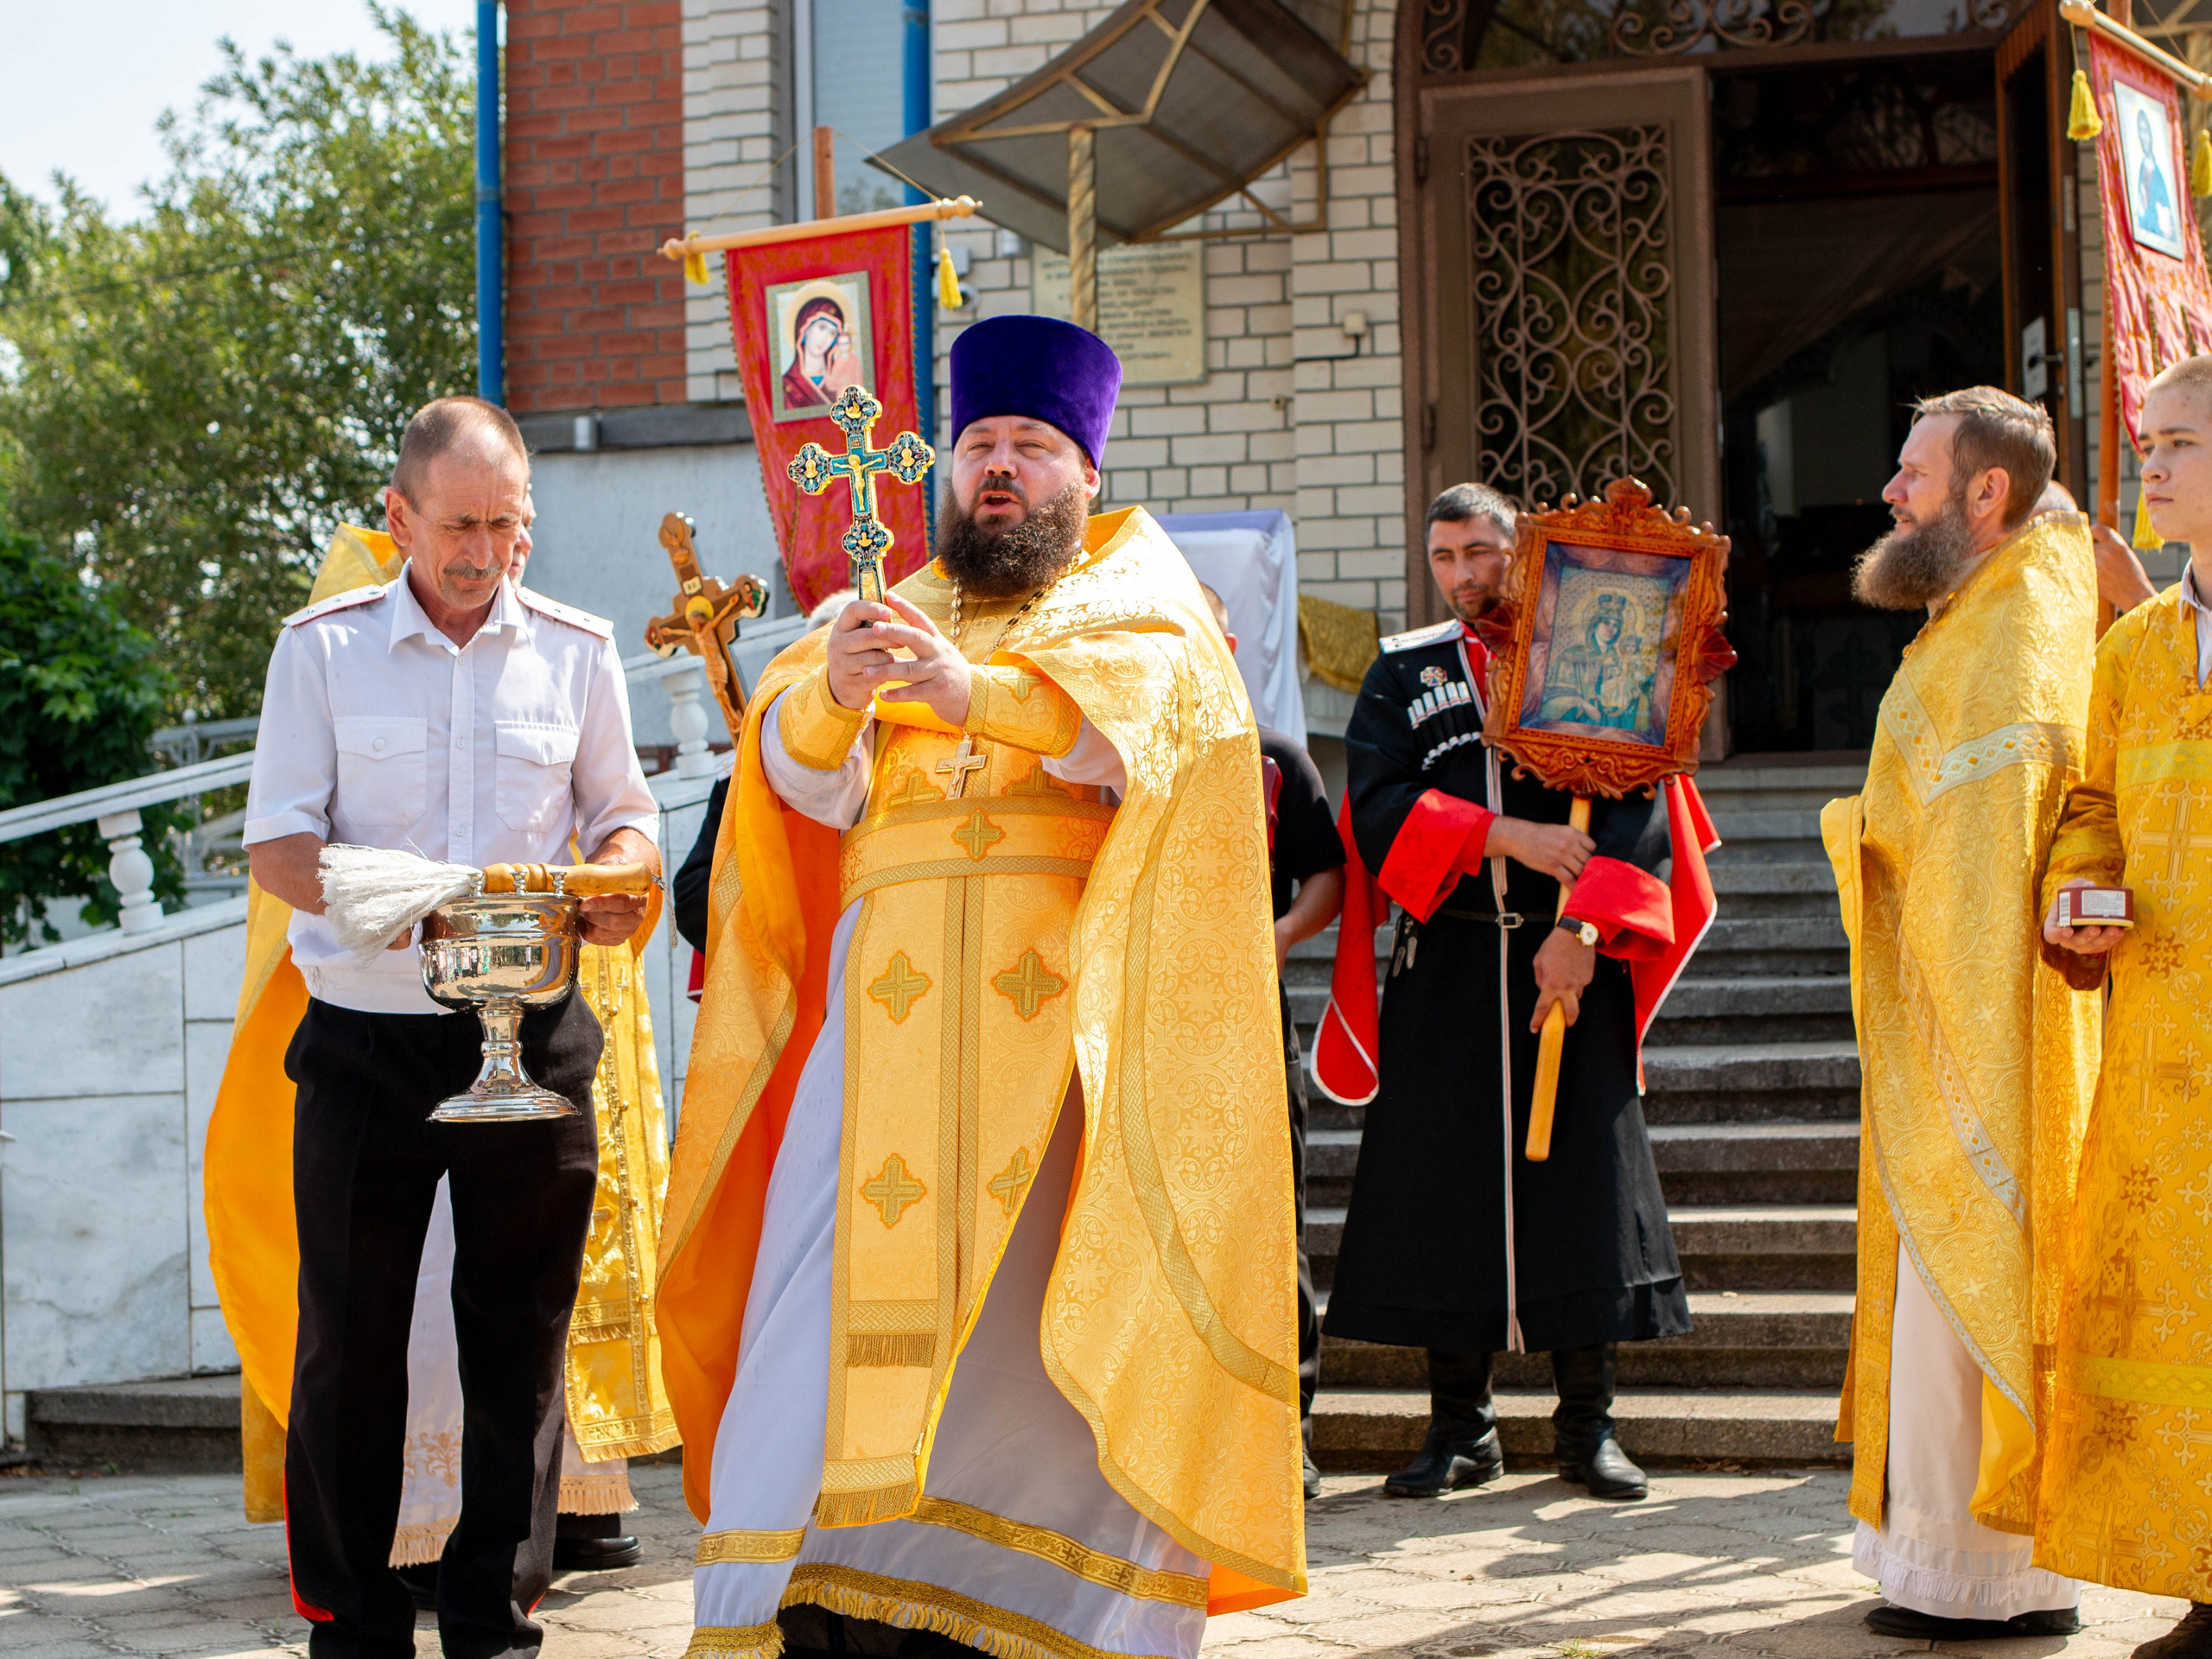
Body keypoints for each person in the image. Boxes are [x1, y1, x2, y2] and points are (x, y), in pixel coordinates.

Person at [658, 315, 1305, 1659]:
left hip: (1054, 1059)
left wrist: (978, 697)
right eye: (977, 447)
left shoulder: (1143, 592)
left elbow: (1167, 733)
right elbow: (789, 770)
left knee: (1035, 1349)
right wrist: (829, 697)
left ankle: (1031, 1612)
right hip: (877, 1044)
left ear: (1086, 471)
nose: (998, 470)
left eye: (1031, 447)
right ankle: (810, 1589)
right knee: (816, 1301)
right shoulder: (886, 603)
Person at [234, 396, 662, 1657]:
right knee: (349, 1349)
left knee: (520, 1349)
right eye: (461, 524)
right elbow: (279, 843)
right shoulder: (321, 651)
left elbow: (623, 817)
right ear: (400, 516)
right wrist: (412, 910)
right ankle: (354, 1628)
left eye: (508, 525)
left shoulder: (578, 652)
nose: (485, 552)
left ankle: (495, 1619)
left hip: (534, 1035)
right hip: (370, 1042)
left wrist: (619, 888)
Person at [1319, 481, 1716, 1504]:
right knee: (1444, 1197)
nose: (1466, 575)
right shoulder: (1405, 672)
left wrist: (1581, 927)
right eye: (1445, 556)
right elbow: (1375, 807)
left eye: (1483, 552)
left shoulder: (1594, 649)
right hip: (1446, 968)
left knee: (1581, 1189)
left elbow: (1640, 797)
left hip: (1568, 965)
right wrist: (1504, 834)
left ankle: (1588, 1431)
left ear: (1521, 549)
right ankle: (1462, 1432)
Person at [1819, 385, 2099, 1640]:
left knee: (1965, 1284)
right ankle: (1935, 1565)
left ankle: (1990, 1578)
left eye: (1914, 473)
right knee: (1925, 1297)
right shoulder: (1973, 608)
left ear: (1987, 495)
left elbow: (1992, 841)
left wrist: (1866, 842)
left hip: (1982, 1022)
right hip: (1935, 1000)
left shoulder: (2022, 611)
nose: (1890, 491)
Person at [2037, 354, 2212, 1659]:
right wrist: (2078, 899)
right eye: (2148, 443)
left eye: (2177, 444)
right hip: (2160, 1050)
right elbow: (2092, 806)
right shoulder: (2136, 646)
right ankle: (2205, 1581)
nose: (2146, 465)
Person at [1197, 581, 1344, 1502]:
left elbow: (1325, 878)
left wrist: (1276, 938)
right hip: (1135, 1026)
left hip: (1252, 1025)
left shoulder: (1275, 755)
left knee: (1268, 1233)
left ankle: (1286, 1433)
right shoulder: (1113, 753)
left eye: (1200, 627)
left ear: (1227, 638)